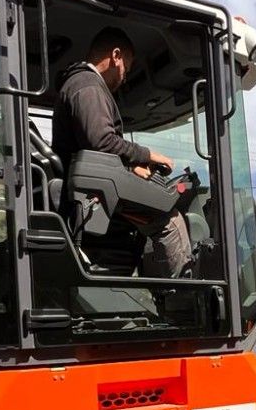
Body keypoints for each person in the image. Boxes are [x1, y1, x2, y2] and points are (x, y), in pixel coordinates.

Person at [52, 27, 192, 278]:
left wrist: (129, 168)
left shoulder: (79, 84)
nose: (125, 76)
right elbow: (102, 140)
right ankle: (182, 299)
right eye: (127, 65)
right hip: (91, 193)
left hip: (90, 187)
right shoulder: (88, 85)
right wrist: (147, 155)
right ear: (116, 56)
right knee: (170, 221)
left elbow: (92, 145)